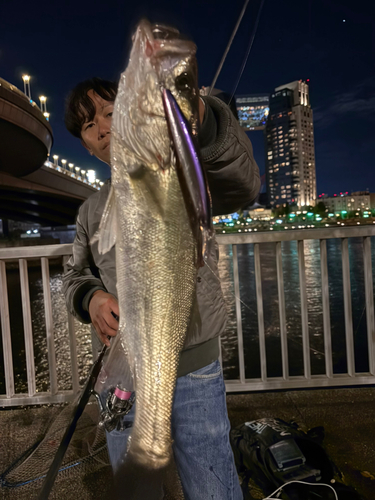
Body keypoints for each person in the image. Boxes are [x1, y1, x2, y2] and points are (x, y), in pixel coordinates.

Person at [63, 75, 260, 499]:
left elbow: (242, 183)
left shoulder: (180, 172)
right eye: (88, 126)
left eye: (111, 113)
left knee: (213, 484)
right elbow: (76, 274)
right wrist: (92, 297)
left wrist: (204, 120)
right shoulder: (90, 211)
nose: (101, 128)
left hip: (193, 366)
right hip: (125, 371)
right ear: (86, 145)